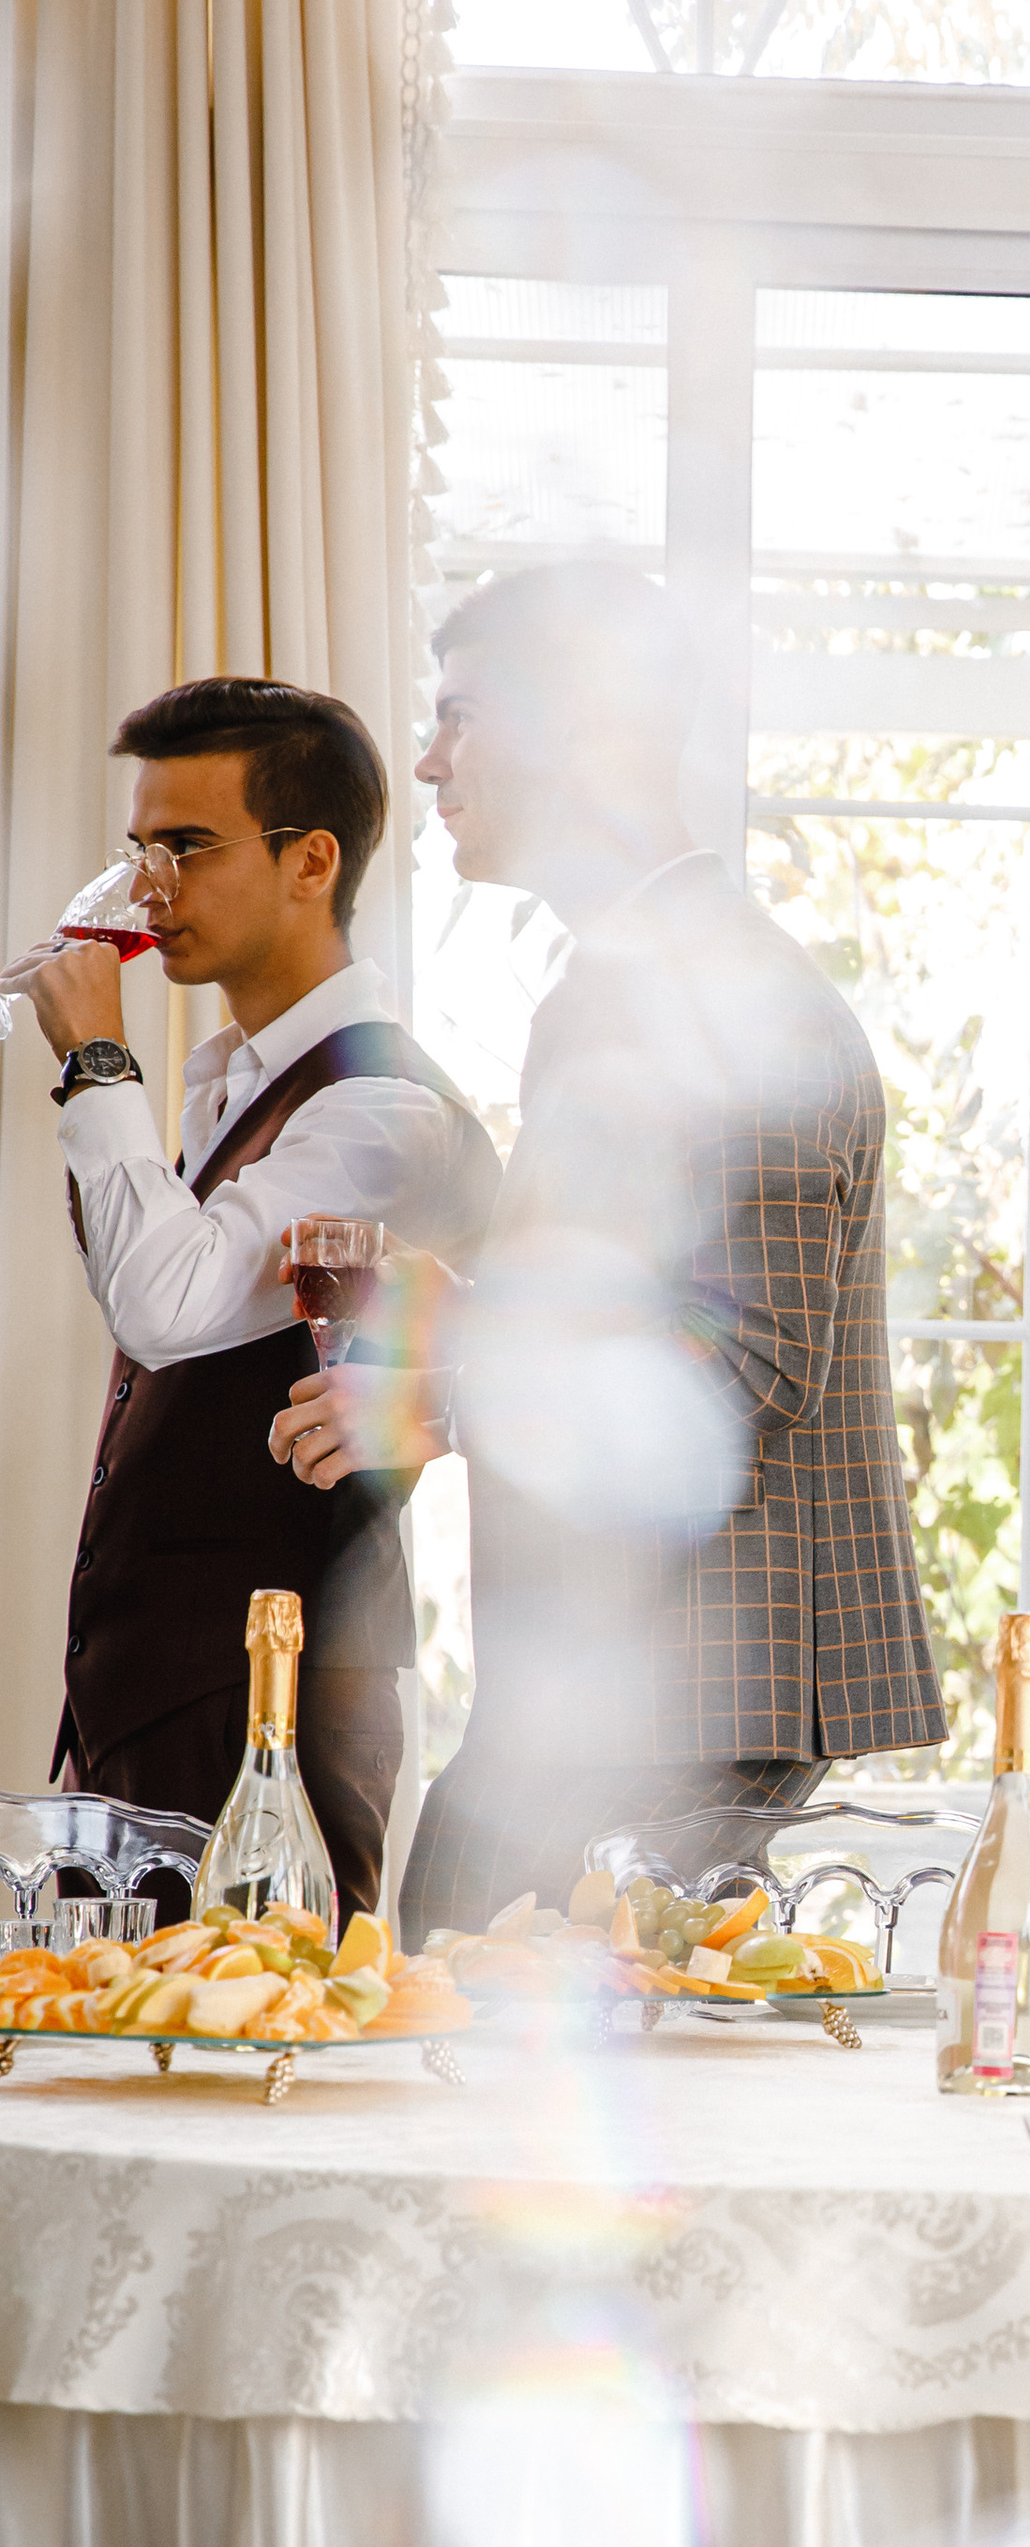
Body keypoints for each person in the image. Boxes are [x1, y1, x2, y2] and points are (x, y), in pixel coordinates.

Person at [271, 560, 945, 1926]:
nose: (429, 760)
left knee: (445, 1990)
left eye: (463, 716)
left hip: (679, 1705)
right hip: (617, 1696)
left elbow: (738, 1377)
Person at [20, 679, 498, 1911]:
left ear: (310, 861)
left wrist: (95, 1062)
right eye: (140, 849)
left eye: (186, 847)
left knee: (257, 2065)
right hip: (144, 1714)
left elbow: (165, 1310)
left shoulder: (380, 1107)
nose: (152, 887)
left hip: (269, 1730)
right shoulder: (233, 1077)